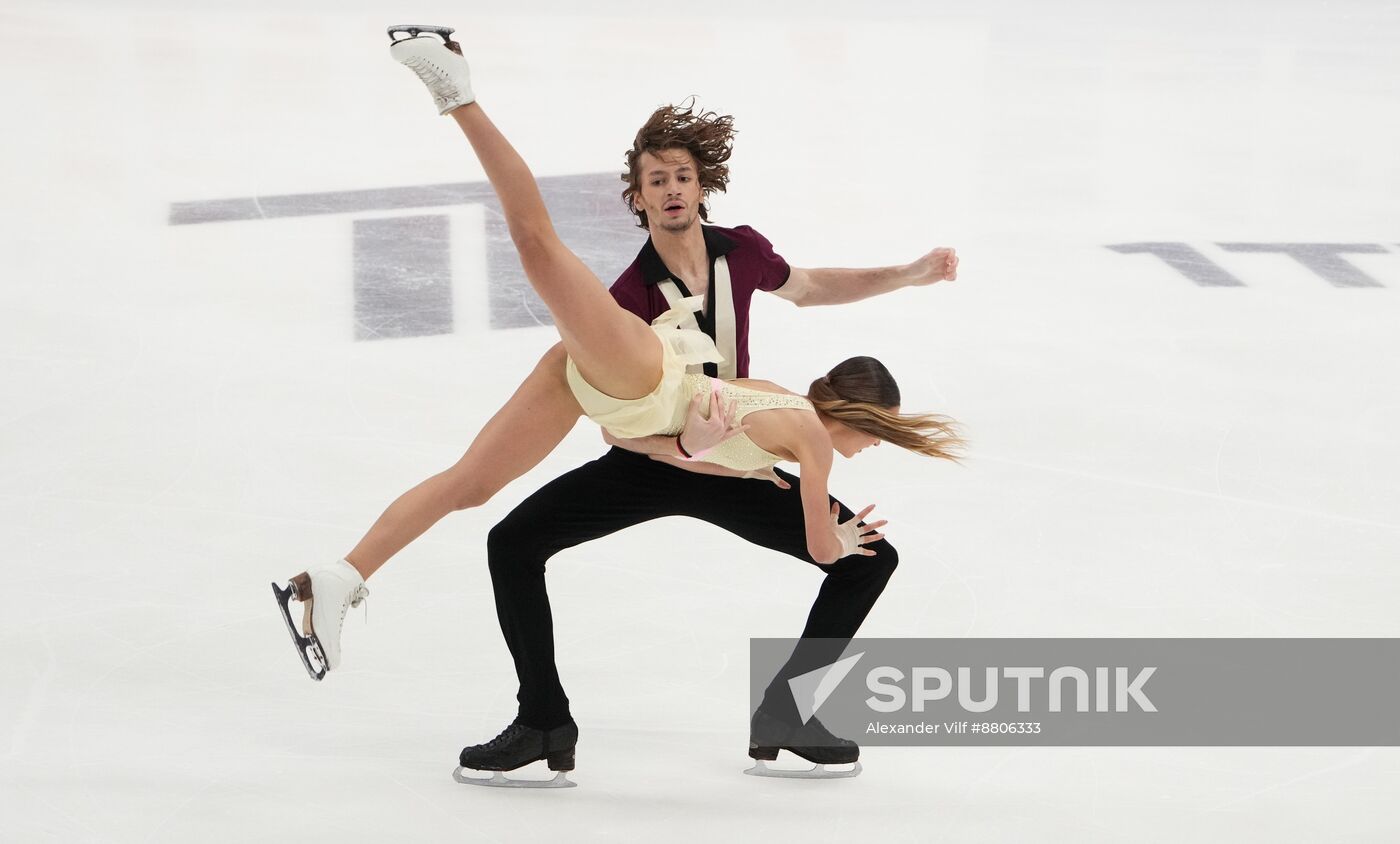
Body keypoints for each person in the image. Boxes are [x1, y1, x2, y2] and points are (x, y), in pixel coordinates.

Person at [273, 25, 963, 783]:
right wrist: (669, 447)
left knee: (872, 559)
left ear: (702, 188)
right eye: (655, 179)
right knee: (511, 539)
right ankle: (541, 721)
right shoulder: (629, 298)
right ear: (637, 198)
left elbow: (814, 288)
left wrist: (907, 274)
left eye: (681, 175)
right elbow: (624, 417)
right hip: (651, 451)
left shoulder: (745, 256)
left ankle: (792, 715)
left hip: (732, 461)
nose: (670, 188)